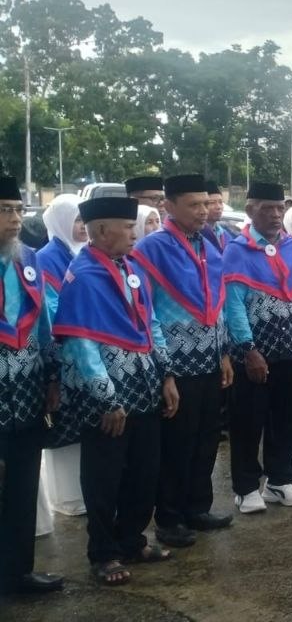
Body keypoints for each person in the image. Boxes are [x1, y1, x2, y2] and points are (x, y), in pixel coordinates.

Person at [56, 195, 179, 586]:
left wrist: (167, 375)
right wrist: (108, 399)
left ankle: (132, 539)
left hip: (144, 388)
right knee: (104, 478)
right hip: (107, 398)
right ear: (102, 231)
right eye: (127, 228)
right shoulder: (83, 277)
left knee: (145, 471)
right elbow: (82, 345)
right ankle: (103, 553)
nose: (134, 233)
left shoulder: (130, 269)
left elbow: (151, 322)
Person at [131, 174, 233, 549]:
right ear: (169, 206)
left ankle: (197, 507)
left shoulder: (207, 243)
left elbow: (216, 301)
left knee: (207, 438)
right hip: (175, 363)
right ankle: (169, 518)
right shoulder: (151, 249)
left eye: (206, 203)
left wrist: (224, 352)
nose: (203, 211)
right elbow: (146, 313)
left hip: (209, 358)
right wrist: (164, 372)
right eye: (194, 205)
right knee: (177, 443)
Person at [222, 182, 292, 515]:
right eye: (267, 208)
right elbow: (233, 306)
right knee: (248, 422)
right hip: (253, 357)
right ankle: (246, 487)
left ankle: (279, 481)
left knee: (286, 418)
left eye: (280, 208)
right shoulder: (237, 250)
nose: (276, 215)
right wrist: (249, 350)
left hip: (291, 352)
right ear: (251, 211)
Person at [0, 176, 63, 596]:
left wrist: (53, 376)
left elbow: (42, 324)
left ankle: (17, 573)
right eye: (5, 209)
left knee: (21, 485)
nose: (15, 218)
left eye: (18, 209)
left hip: (24, 393)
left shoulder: (27, 259)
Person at [36, 194, 88, 520]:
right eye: (77, 221)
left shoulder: (85, 254)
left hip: (87, 350)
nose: (82, 228)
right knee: (63, 429)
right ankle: (67, 498)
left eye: (84, 221)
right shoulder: (45, 259)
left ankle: (83, 493)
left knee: (85, 428)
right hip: (64, 350)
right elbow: (50, 311)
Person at [202, 181, 231, 252]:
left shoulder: (226, 233)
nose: (218, 207)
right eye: (212, 203)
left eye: (220, 202)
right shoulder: (196, 235)